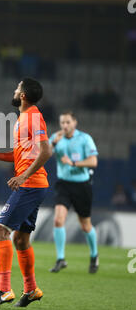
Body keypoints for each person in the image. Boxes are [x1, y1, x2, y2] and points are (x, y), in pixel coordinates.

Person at [0, 78, 52, 308]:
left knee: (0, 231)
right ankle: (31, 289)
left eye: (17, 88)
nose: (14, 90)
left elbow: (46, 151)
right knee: (20, 239)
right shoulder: (23, 118)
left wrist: (22, 176)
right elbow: (21, 154)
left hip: (30, 184)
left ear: (22, 95)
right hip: (34, 184)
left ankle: (4, 290)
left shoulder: (32, 116)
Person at [49, 111, 99, 273]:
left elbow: (93, 161)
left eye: (68, 122)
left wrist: (73, 163)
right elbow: (45, 154)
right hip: (63, 184)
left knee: (85, 225)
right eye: (62, 122)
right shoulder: (56, 138)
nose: (65, 125)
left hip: (81, 185)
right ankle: (60, 259)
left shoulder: (85, 139)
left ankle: (94, 255)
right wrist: (54, 145)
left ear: (75, 123)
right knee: (58, 220)